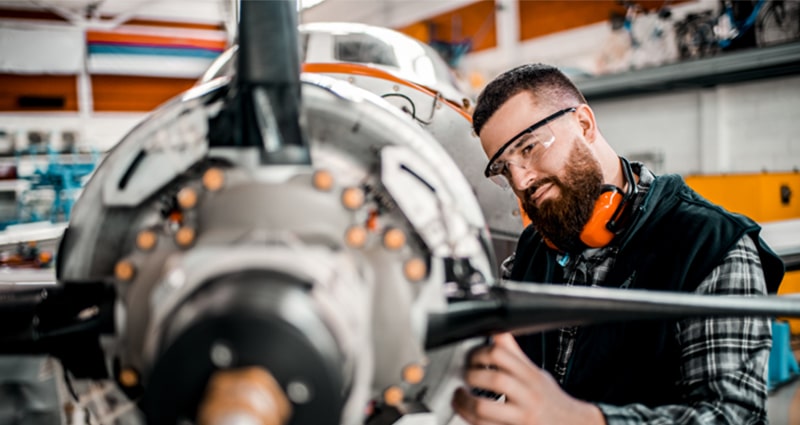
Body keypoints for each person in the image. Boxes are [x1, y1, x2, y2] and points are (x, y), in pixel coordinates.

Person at [451, 63, 785, 424]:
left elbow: (732, 416)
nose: (521, 180)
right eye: (503, 168)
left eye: (529, 148)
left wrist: (579, 419)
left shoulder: (711, 246)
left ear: (584, 124)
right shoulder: (532, 251)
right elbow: (479, 367)